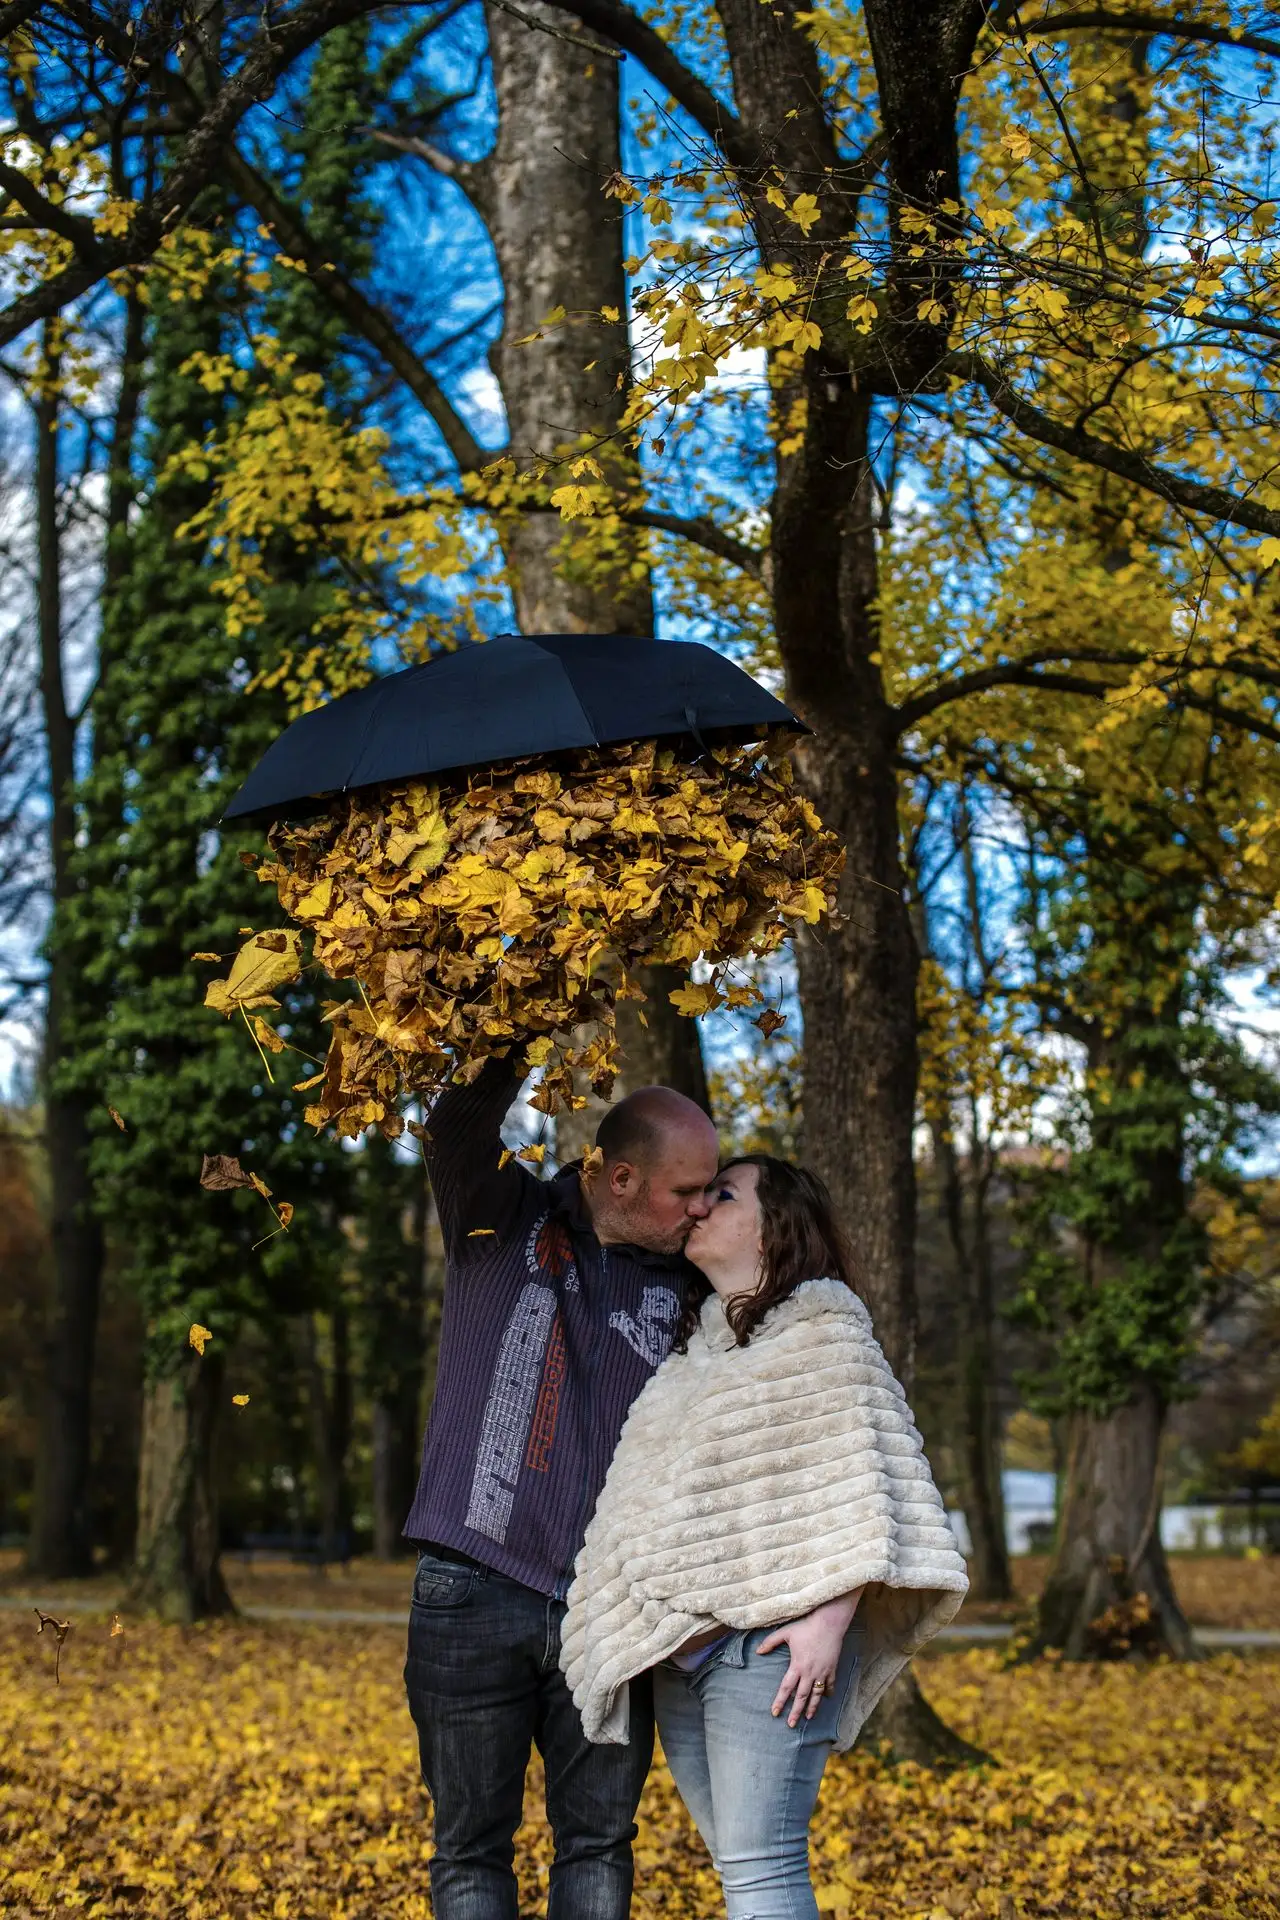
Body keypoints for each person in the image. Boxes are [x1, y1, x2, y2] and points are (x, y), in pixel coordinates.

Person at [561, 1155, 969, 1920]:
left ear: (773, 1225)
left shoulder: (827, 1340)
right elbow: (653, 1503)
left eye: (723, 1194)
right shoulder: (695, 1358)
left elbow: (863, 1485)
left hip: (773, 1650)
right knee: (738, 1864)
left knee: (761, 1869)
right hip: (679, 1657)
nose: (700, 1207)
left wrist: (829, 1620)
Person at [402, 1053, 721, 1920]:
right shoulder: (501, 1216)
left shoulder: (697, 1284)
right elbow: (454, 1129)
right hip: (473, 1585)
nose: (702, 1207)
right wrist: (516, 1027)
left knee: (598, 1845)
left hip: (609, 1614)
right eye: (687, 1190)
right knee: (471, 1849)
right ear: (621, 1179)